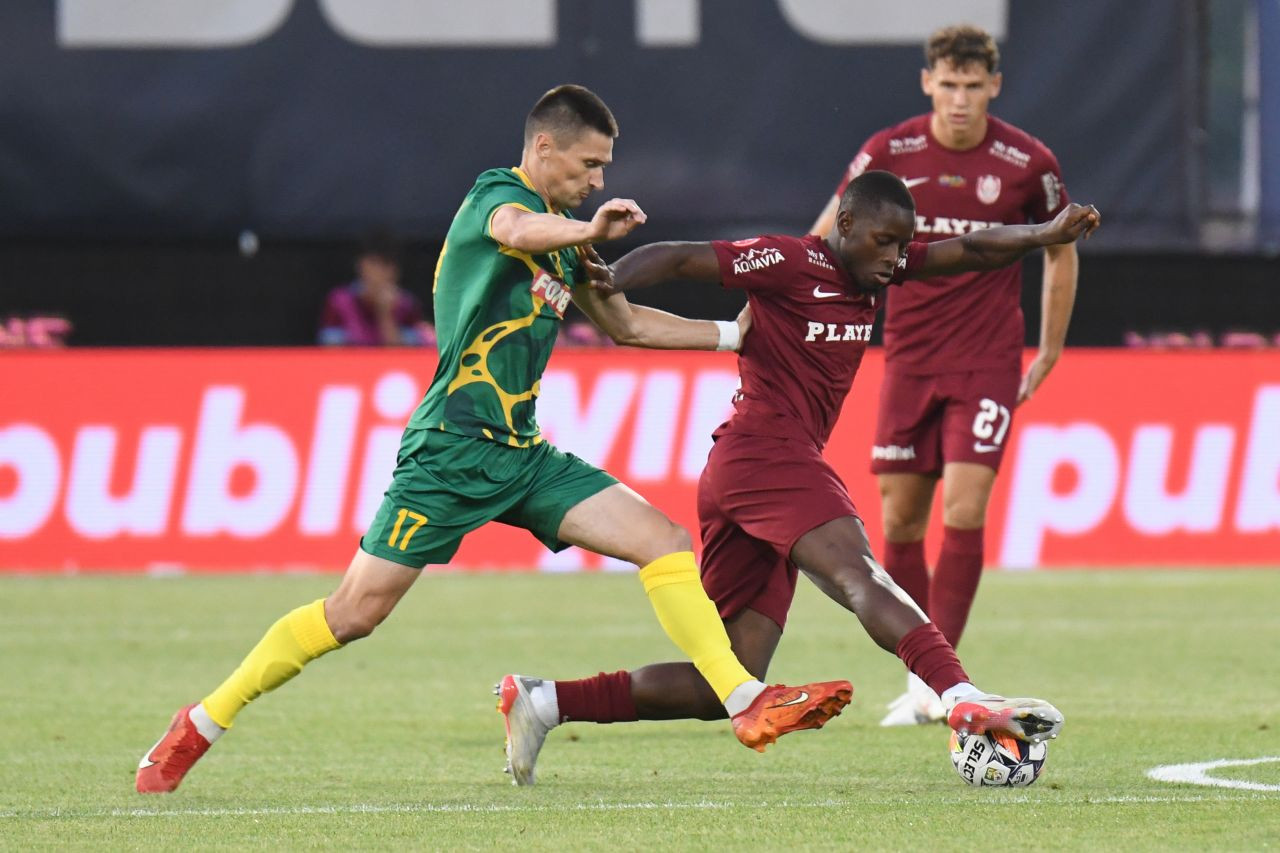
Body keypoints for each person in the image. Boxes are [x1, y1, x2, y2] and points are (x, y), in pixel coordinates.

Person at [135, 84, 851, 795]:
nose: (598, 180)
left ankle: (743, 699)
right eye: (589, 164)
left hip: (523, 454)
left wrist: (733, 334)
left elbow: (626, 323)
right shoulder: (497, 197)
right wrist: (589, 230)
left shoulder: (568, 238)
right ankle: (199, 722)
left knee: (660, 540)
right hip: (448, 453)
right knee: (354, 613)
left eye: (604, 168)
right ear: (544, 147)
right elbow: (515, 229)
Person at [498, 171, 1099, 784]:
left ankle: (543, 701)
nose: (894, 260)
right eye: (883, 242)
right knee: (858, 573)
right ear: (844, 226)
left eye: (903, 246)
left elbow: (971, 249)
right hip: (764, 452)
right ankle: (959, 694)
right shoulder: (788, 261)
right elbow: (678, 257)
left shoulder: (880, 267)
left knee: (727, 679)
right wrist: (605, 280)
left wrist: (1046, 233)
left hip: (749, 468)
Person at [808, 26, 1079, 726]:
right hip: (908, 355)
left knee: (964, 507)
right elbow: (831, 231)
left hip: (988, 357)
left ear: (994, 86)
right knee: (898, 517)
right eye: (947, 84)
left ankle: (940, 685)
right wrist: (790, 296)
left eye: (973, 85)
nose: (959, 99)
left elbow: (1060, 250)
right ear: (927, 82)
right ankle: (923, 672)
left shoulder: (1028, 162)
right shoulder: (890, 152)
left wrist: (1048, 349)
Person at [317, 230, 433, 346]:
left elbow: (406, 350)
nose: (377, 272)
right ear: (360, 265)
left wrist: (385, 314)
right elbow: (329, 343)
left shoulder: (406, 304)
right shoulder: (339, 301)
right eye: (373, 263)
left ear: (395, 271)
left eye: (385, 265)